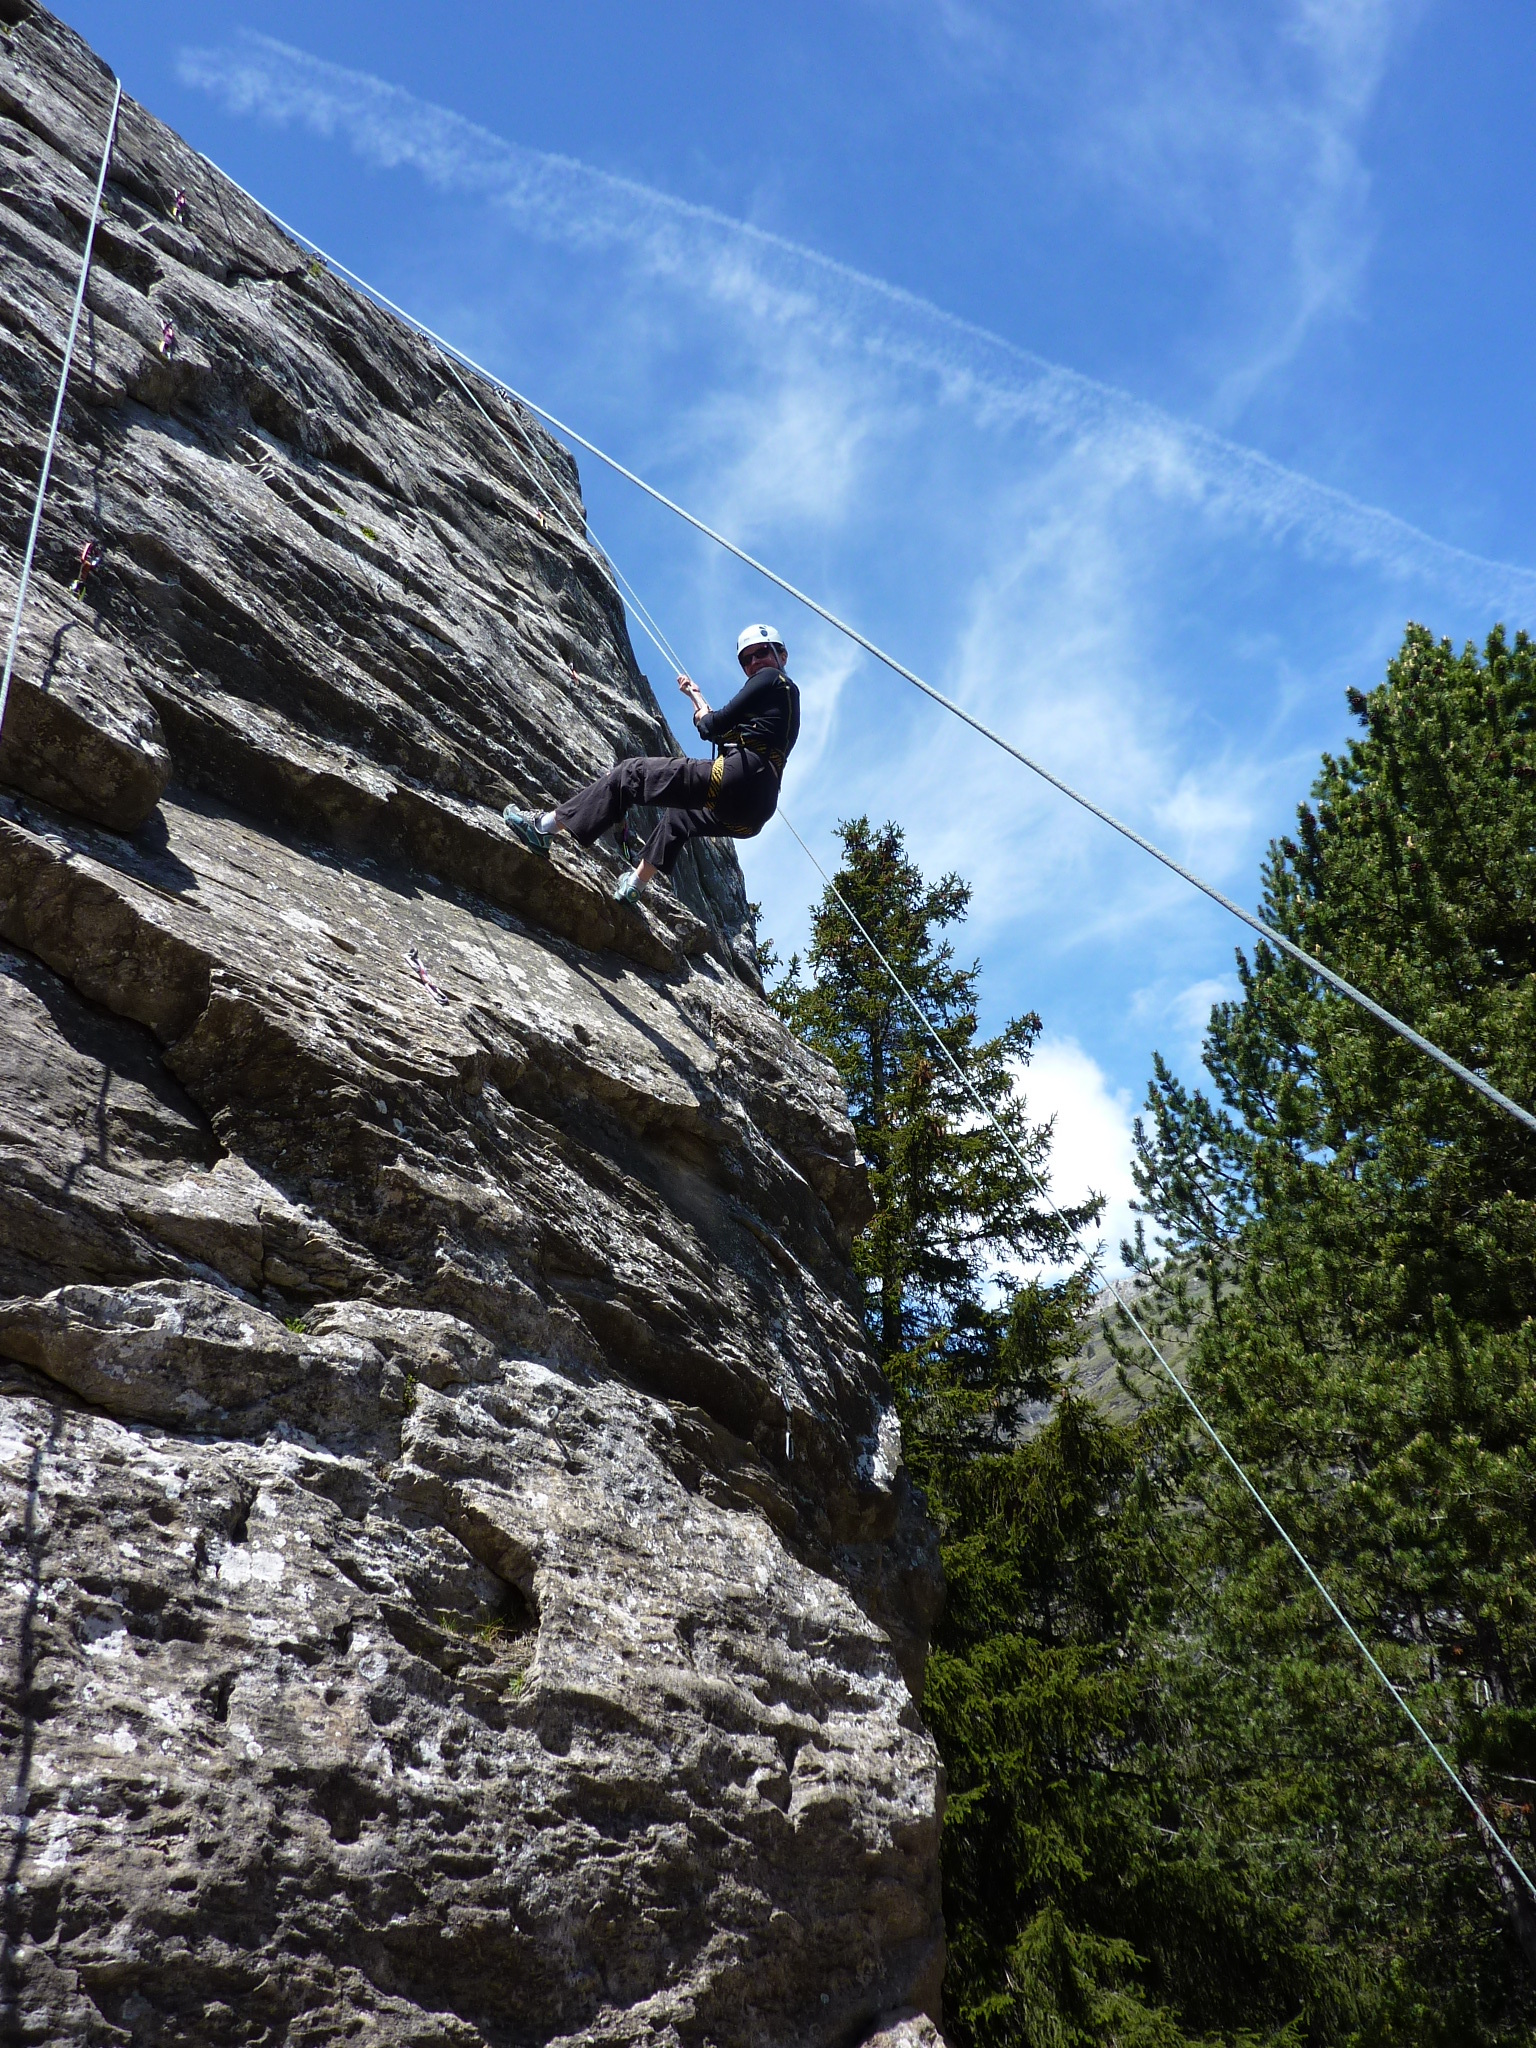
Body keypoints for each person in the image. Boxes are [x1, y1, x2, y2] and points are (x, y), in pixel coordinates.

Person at [503, 624, 801, 902]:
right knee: (681, 818)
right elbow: (718, 729)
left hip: (738, 776)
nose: (754, 662)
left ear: (781, 654)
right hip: (756, 809)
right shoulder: (780, 706)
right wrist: (695, 697)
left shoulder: (770, 679)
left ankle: (543, 827)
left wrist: (702, 716)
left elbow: (712, 726)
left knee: (631, 773)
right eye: (747, 659)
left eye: (761, 652)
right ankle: (635, 884)